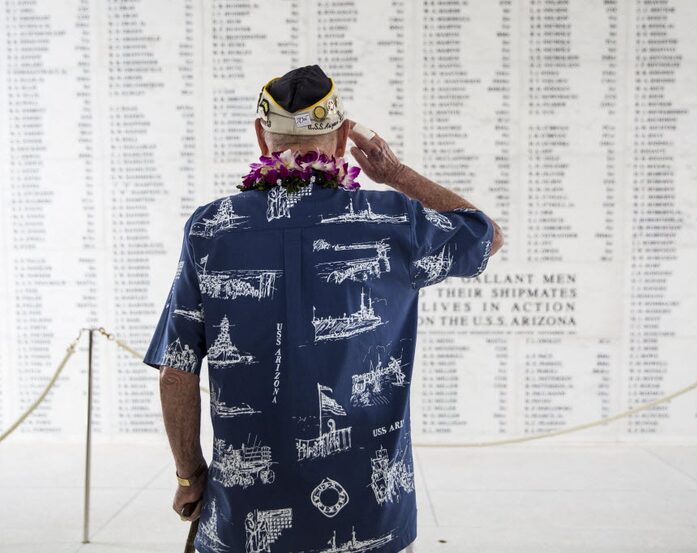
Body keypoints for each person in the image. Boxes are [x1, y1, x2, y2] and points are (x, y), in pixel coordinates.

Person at [143, 64, 504, 553]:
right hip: (371, 519)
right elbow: (484, 234)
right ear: (341, 140)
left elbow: (176, 372)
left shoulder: (211, 228)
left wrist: (190, 476)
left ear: (260, 137)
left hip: (242, 519)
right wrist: (395, 175)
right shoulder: (393, 221)